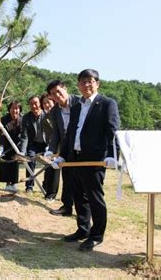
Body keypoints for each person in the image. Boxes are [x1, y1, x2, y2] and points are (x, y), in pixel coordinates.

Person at [52, 69, 120, 251]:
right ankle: (83, 229)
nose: (86, 85)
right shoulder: (76, 107)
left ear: (97, 83)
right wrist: (62, 156)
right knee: (78, 196)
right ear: (78, 85)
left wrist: (113, 155)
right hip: (74, 158)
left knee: (94, 197)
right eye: (82, 82)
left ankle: (96, 235)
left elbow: (113, 131)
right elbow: (69, 135)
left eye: (90, 81)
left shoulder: (107, 104)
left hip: (94, 159)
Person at [44, 80, 81, 216]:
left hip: (82, 145)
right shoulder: (54, 111)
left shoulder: (80, 102)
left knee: (82, 179)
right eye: (53, 94)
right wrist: (51, 149)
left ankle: (83, 211)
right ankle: (67, 206)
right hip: (66, 147)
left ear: (65, 89)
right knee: (67, 176)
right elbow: (56, 133)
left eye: (59, 91)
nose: (57, 95)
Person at [19, 95, 47, 193]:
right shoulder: (26, 118)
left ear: (40, 103)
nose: (34, 106)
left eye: (35, 103)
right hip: (33, 144)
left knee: (49, 163)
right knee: (29, 160)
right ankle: (29, 187)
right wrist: (22, 152)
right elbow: (24, 136)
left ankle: (46, 185)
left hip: (46, 144)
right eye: (31, 104)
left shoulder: (47, 114)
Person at [0, 100, 22, 193]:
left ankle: (14, 183)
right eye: (12, 108)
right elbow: (0, 133)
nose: (14, 110)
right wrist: (1, 146)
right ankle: (8, 183)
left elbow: (24, 133)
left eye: (16, 108)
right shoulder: (3, 119)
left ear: (19, 109)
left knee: (15, 163)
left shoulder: (22, 119)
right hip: (6, 144)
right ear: (9, 109)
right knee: (6, 162)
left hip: (18, 145)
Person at [40, 93, 59, 201]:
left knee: (56, 168)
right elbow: (49, 136)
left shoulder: (61, 112)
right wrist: (50, 148)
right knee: (50, 165)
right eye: (44, 103)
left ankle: (53, 195)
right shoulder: (45, 119)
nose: (46, 105)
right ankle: (49, 191)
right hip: (53, 146)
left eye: (48, 102)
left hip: (66, 145)